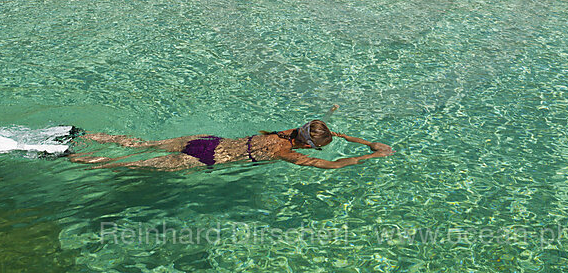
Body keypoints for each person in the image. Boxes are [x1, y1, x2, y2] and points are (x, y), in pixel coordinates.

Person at [68, 119, 392, 170]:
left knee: (141, 144)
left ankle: (83, 135)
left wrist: (353, 137)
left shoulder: (284, 134)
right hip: (206, 158)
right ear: (308, 145)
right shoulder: (285, 153)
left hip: (205, 140)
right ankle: (73, 158)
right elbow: (333, 166)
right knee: (127, 165)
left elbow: (318, 126)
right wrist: (372, 153)